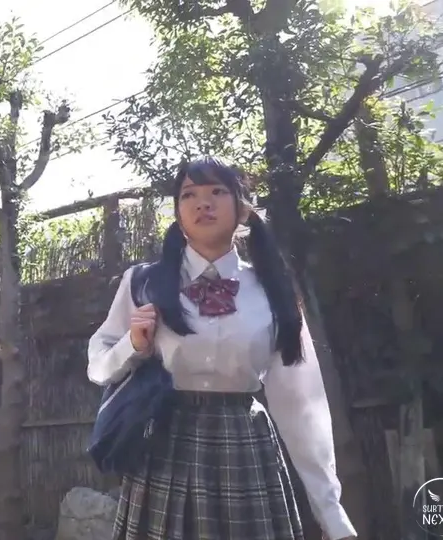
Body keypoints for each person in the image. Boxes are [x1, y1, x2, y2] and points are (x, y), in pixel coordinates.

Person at [87, 157, 357, 540]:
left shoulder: (272, 289)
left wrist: (330, 510)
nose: (203, 203)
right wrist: (132, 345)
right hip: (164, 449)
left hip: (245, 448)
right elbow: (98, 366)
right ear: (178, 212)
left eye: (217, 191)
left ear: (242, 207)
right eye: (189, 195)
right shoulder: (142, 282)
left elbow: (301, 403)